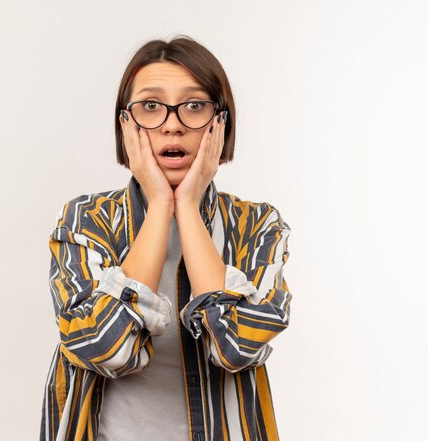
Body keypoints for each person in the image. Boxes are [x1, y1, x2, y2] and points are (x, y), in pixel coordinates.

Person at [40, 34, 293, 441]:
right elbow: (107, 349)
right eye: (151, 106)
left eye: (195, 106)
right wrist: (159, 204)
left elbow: (237, 349)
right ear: (126, 123)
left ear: (220, 122)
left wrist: (188, 208)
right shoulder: (84, 220)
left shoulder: (257, 224)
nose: (173, 124)